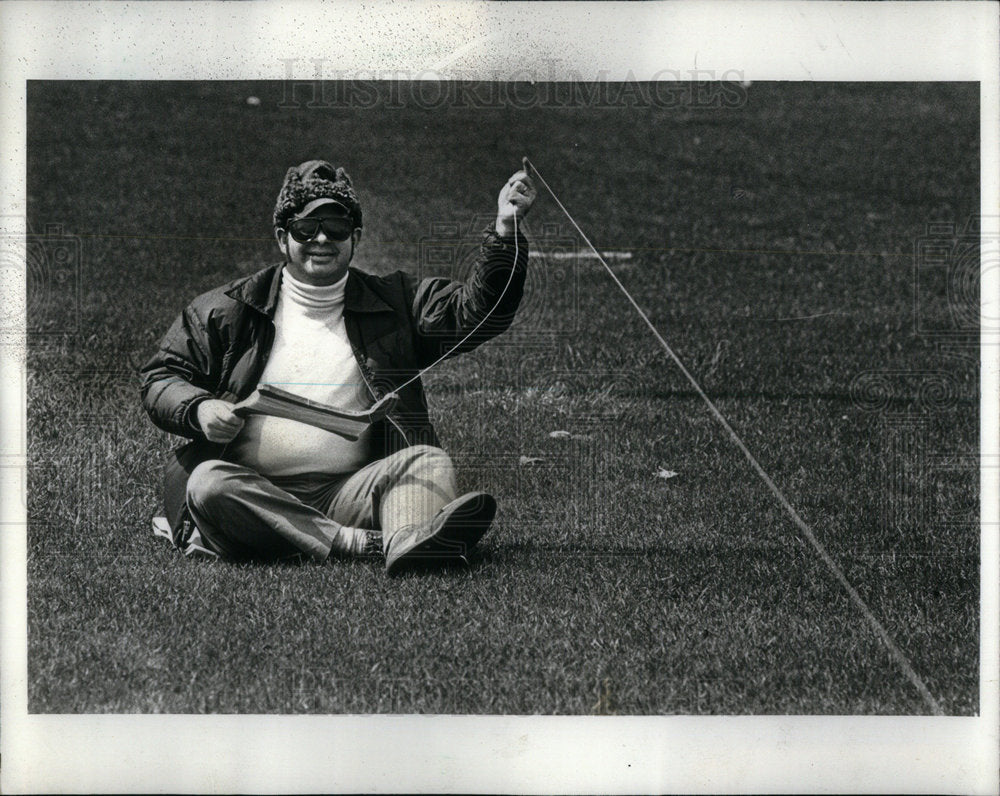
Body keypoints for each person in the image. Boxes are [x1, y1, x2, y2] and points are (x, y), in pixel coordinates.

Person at [140, 158, 536, 573]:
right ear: (282, 237)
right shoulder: (227, 309)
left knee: (427, 460)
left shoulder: (395, 302)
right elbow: (161, 377)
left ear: (356, 236)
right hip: (251, 489)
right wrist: (199, 409)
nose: (322, 239)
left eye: (337, 227)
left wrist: (505, 232)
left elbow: (478, 313)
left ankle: (400, 539)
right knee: (207, 484)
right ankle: (375, 541)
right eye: (305, 228)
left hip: (351, 490)